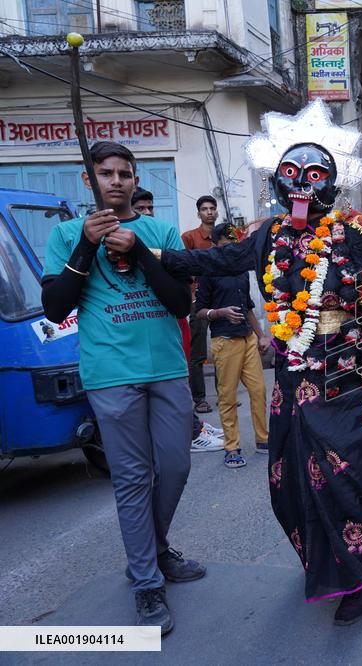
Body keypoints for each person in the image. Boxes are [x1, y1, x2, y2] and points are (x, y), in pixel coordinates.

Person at [161, 110, 362, 625]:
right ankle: (322, 559)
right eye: (292, 174)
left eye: (314, 175)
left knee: (349, 475)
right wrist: (150, 255)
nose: (302, 184)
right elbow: (213, 262)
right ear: (277, 180)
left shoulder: (353, 227)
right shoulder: (266, 233)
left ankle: (357, 572)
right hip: (293, 375)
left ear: (332, 182)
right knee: (290, 477)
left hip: (348, 372)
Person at [41, 141, 203, 634]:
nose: (116, 181)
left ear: (135, 180)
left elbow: (179, 303)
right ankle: (147, 583)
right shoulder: (67, 233)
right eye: (106, 173)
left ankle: (153, 549)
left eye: (125, 174)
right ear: (89, 180)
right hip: (111, 373)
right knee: (133, 479)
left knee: (175, 466)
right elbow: (54, 307)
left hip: (167, 369)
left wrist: (140, 251)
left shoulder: (160, 230)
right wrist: (87, 246)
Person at [130, 189, 225, 453]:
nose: (148, 213)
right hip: (142, 318)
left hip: (176, 309)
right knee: (188, 359)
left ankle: (193, 426)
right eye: (141, 209)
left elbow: (179, 274)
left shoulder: (164, 234)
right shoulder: (185, 237)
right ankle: (192, 424)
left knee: (184, 362)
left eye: (150, 208)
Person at [194, 222, 270, 469]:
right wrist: (221, 312)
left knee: (258, 390)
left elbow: (247, 307)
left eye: (234, 245)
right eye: (226, 246)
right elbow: (199, 312)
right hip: (225, 341)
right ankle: (232, 447)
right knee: (227, 397)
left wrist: (261, 335)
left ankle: (263, 439)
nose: (231, 251)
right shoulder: (208, 272)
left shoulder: (240, 271)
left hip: (247, 339)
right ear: (215, 246)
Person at [181, 195, 219, 414]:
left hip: (221, 298)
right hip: (198, 299)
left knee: (223, 347)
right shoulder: (189, 237)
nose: (209, 212)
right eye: (204, 209)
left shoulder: (224, 236)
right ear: (199, 213)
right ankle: (200, 398)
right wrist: (190, 298)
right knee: (198, 351)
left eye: (212, 208)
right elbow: (182, 269)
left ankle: (224, 395)